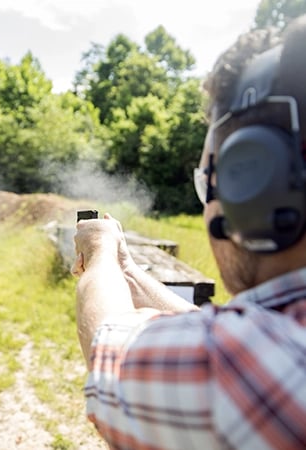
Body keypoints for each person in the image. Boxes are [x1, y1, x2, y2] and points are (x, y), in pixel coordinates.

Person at [71, 15, 306, 450]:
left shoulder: (256, 364)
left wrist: (100, 251)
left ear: (254, 178)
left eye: (211, 180)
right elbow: (228, 331)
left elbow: (108, 352)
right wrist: (127, 270)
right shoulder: (282, 336)